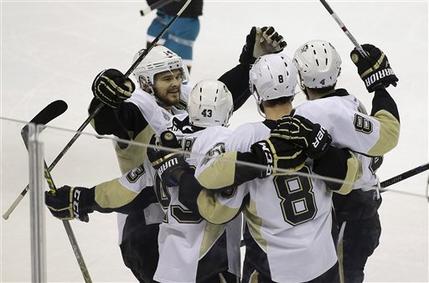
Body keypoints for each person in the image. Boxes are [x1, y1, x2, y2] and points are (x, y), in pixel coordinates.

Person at [87, 27, 287, 282]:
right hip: (146, 228)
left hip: (184, 221)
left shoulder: (180, 97)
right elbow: (109, 122)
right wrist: (104, 102)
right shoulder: (136, 108)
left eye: (176, 75)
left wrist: (249, 63)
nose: (174, 82)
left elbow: (217, 99)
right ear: (147, 82)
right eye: (165, 77)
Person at [176, 53, 362, 282]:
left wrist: (257, 160)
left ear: (256, 92)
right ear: (295, 86)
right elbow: (350, 179)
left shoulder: (248, 136)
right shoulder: (315, 122)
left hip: (276, 269)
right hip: (324, 263)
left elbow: (214, 198)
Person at [290, 40, 400, 283]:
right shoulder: (352, 104)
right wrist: (379, 88)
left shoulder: (311, 114)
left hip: (344, 217)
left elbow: (388, 136)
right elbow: (380, 141)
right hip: (364, 214)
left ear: (300, 77)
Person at [146, 0, 203, 71]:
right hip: (163, 12)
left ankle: (178, 78)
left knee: (176, 59)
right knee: (153, 45)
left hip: (184, 18)